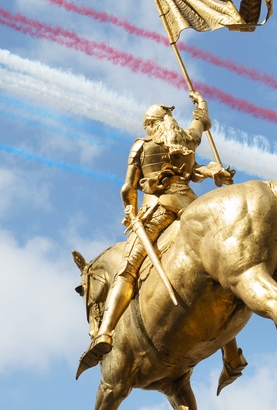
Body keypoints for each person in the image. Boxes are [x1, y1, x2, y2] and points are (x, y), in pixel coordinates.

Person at [76, 92, 232, 377]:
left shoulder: (142, 145)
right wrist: (201, 105)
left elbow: (128, 188)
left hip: (157, 210)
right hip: (191, 206)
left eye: (147, 124)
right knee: (220, 269)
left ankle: (105, 333)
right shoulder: (187, 138)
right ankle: (232, 352)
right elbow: (202, 124)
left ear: (151, 123)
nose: (146, 129)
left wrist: (130, 211)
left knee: (127, 270)